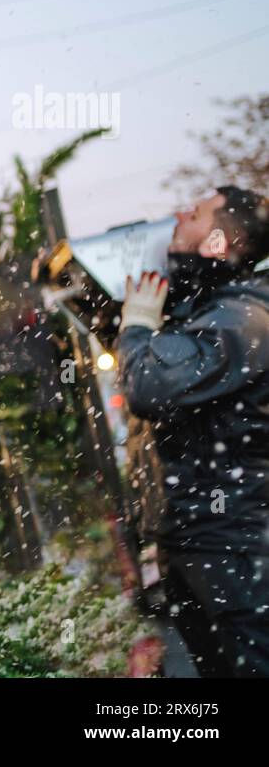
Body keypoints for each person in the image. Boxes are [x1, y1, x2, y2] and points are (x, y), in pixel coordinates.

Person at [117, 185, 269, 676]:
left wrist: (138, 326)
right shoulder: (210, 308)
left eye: (199, 212)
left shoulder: (239, 319)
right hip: (202, 541)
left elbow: (149, 383)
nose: (180, 214)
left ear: (223, 238)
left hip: (234, 547)